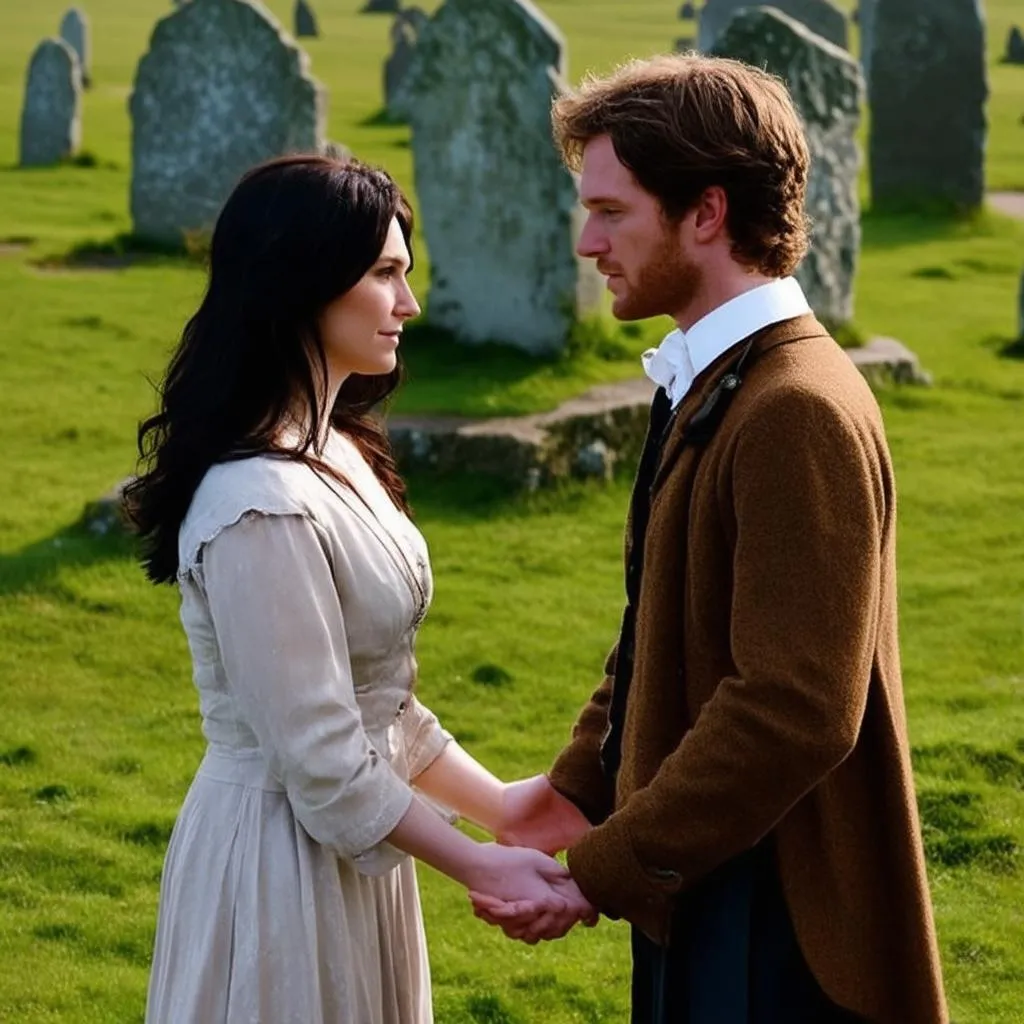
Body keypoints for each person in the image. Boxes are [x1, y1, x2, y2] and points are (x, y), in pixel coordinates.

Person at [474, 55, 949, 1024]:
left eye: (611, 211)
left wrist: (601, 868)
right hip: (710, 883)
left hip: (786, 923)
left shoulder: (793, 406)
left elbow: (792, 706)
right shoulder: (717, 377)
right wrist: (576, 787)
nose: (585, 241)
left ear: (706, 213)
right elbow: (657, 623)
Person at [126, 154, 595, 1024]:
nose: (410, 305)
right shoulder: (256, 505)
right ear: (303, 281)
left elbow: (378, 700)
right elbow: (321, 754)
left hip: (354, 848)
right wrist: (477, 863)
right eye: (385, 274)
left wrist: (502, 809)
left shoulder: (339, 449)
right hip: (275, 866)